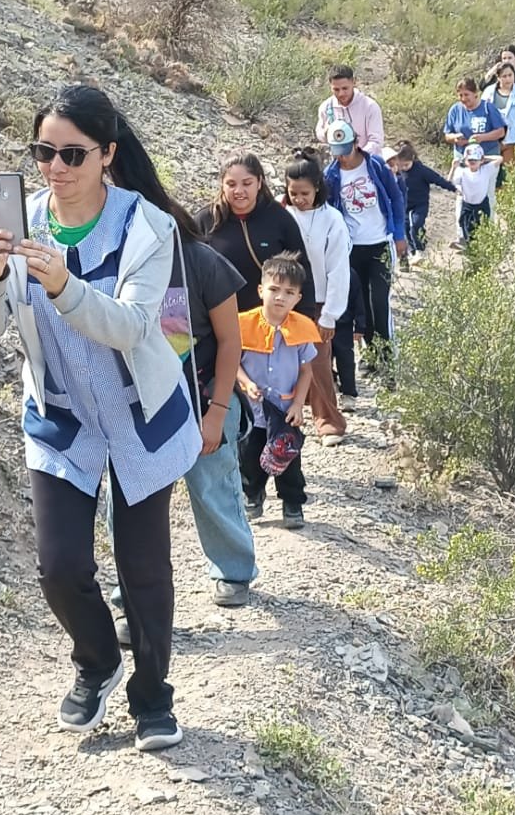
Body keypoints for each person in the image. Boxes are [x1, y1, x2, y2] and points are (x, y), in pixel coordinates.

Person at [0, 85, 197, 750]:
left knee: (144, 571)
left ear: (107, 155)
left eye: (72, 153)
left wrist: (64, 284)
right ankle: (96, 661)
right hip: (61, 417)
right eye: (44, 152)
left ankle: (153, 697)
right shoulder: (21, 224)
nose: (55, 168)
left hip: (138, 416)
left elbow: (128, 327)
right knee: (59, 566)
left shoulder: (147, 227)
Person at [108, 219, 259, 633]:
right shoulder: (112, 260)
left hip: (202, 395)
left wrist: (217, 412)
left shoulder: (199, 260)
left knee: (212, 486)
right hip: (135, 403)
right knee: (131, 499)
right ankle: (132, 597)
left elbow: (231, 341)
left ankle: (233, 568)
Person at [237, 254, 319, 531]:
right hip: (253, 410)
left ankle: (292, 504)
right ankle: (252, 495)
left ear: (298, 298)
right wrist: (246, 383)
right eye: (274, 289)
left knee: (289, 460)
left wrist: (298, 405)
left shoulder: (301, 328)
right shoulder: (242, 325)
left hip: (285, 411)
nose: (280, 297)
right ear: (261, 290)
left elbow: (307, 371)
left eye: (289, 292)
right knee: (249, 457)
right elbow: (232, 362)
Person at [322, 122, 407, 389]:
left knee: (380, 303)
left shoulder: (376, 166)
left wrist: (399, 233)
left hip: (379, 242)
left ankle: (389, 362)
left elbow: (395, 198)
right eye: (337, 150)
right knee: (360, 307)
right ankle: (370, 356)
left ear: (356, 142)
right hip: (351, 247)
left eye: (345, 149)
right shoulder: (332, 175)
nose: (342, 155)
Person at [283, 153, 351, 442]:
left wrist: (330, 314)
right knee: (282, 361)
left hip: (320, 301)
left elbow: (338, 268)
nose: (299, 199)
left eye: (305, 193)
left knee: (318, 361)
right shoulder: (280, 214)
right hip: (285, 299)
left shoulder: (332, 219)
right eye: (293, 193)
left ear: (318, 189)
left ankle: (328, 421)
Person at [197, 154, 318, 317]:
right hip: (220, 322)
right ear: (222, 185)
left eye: (247, 183)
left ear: (259, 182)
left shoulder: (279, 219)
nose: (239, 191)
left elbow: (302, 270)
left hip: (272, 322)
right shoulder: (205, 220)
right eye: (231, 184)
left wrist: (306, 316)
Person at [389, 139, 457, 257]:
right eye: (401, 165)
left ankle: (421, 249)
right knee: (406, 229)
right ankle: (414, 252)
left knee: (415, 226)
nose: (404, 168)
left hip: (420, 204)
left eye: (406, 164)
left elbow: (437, 179)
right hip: (404, 205)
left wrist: (453, 188)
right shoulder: (397, 173)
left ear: (413, 159)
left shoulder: (421, 170)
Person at [314, 64, 385, 156]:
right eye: (336, 89)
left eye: (345, 88)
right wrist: (326, 133)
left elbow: (376, 141)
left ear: (354, 82)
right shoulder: (326, 107)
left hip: (366, 163)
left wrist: (356, 157)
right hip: (338, 162)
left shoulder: (370, 107)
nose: (341, 93)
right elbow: (319, 132)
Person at [443, 77, 506, 169]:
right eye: (460, 95)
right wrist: (455, 138)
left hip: (486, 156)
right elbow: (447, 135)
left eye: (466, 94)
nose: (463, 98)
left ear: (475, 93)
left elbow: (501, 132)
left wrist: (482, 138)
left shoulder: (488, 108)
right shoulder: (455, 110)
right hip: (463, 157)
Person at [481, 59, 515, 160]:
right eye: (504, 76)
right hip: (492, 142)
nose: (508, 79)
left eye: (510, 75)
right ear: (498, 78)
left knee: (510, 172)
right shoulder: (488, 93)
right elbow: (482, 115)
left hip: (512, 142)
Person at [453, 143, 501, 242]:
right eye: (470, 160)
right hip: (467, 205)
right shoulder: (462, 171)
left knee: (483, 227)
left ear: (481, 160)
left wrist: (484, 158)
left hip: (482, 204)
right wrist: (453, 167)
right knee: (466, 227)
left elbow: (499, 159)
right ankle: (468, 245)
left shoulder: (486, 170)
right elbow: (450, 182)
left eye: (475, 159)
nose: (472, 162)